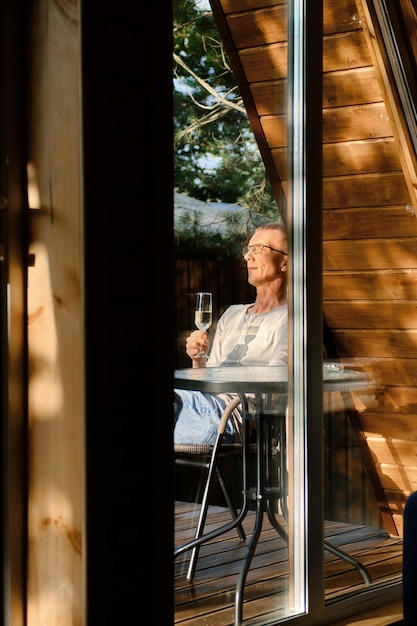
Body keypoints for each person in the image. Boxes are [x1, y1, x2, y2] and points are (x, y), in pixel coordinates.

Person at [174, 222, 288, 444]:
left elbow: (276, 384)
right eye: (248, 248)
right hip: (203, 406)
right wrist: (199, 360)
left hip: (233, 417)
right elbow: (208, 382)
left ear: (285, 261)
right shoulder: (233, 314)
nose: (247, 256)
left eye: (259, 248)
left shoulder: (292, 318)